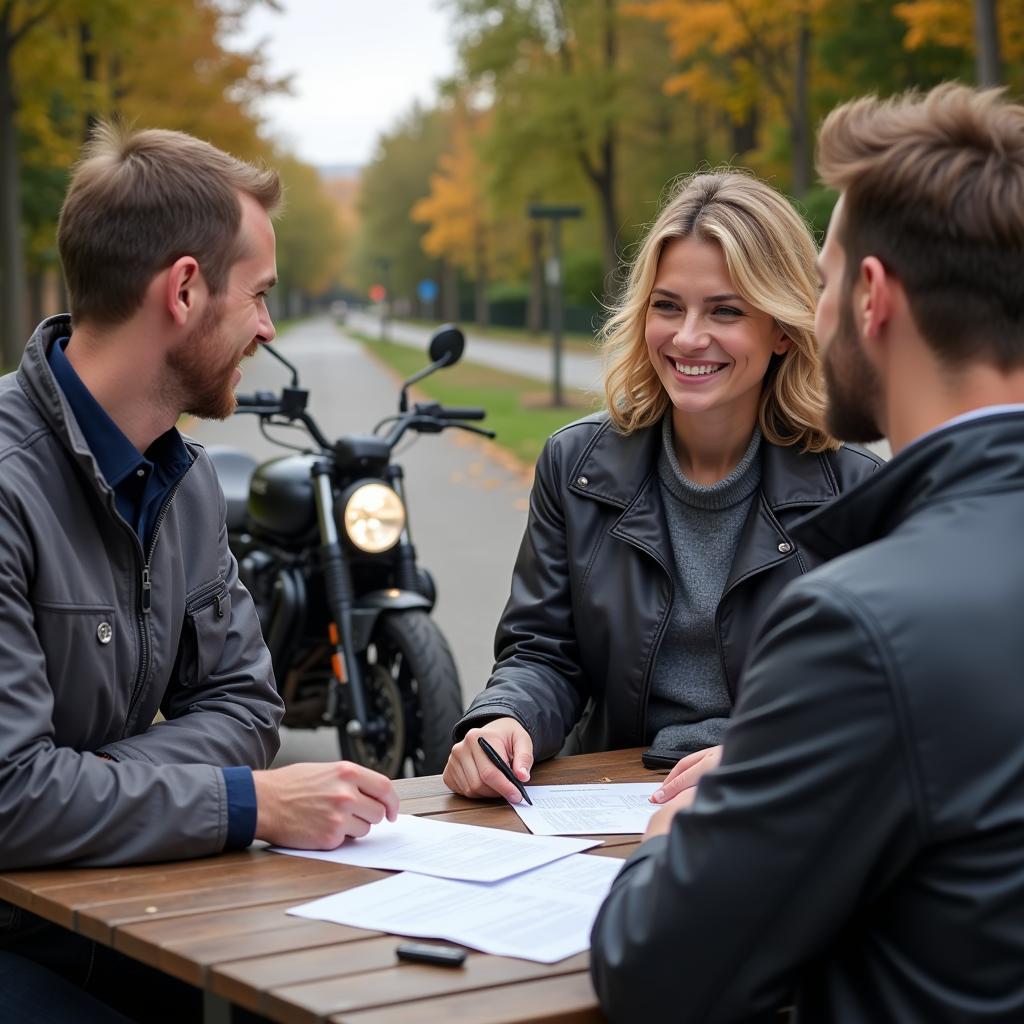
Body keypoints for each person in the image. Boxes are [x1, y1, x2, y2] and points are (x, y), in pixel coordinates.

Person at [590, 83, 1024, 1023]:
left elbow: (657, 971)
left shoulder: (865, 621)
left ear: (869, 299)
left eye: (820, 281)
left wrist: (677, 832)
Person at [0, 122, 398, 1021]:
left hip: (133, 908)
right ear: (183, 289)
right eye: (258, 297)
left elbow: (246, 708)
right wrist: (240, 804)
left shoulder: (179, 481)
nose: (266, 326)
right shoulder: (6, 488)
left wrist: (84, 781)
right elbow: (10, 799)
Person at [443, 170, 881, 803]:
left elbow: (872, 700)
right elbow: (543, 651)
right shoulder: (576, 465)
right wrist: (504, 719)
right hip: (609, 799)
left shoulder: (855, 491)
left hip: (778, 801)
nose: (687, 337)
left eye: (725, 310)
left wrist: (761, 758)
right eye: (667, 305)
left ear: (783, 329)